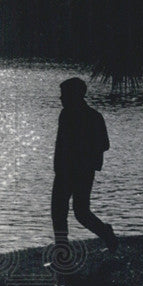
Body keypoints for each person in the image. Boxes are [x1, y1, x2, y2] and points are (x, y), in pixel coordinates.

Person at [51, 77, 119, 251]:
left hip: (82, 171)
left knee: (81, 212)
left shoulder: (93, 117)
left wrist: (83, 157)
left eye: (64, 95)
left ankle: (106, 233)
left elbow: (104, 144)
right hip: (63, 171)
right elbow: (61, 144)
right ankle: (62, 251)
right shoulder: (65, 115)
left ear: (75, 95)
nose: (61, 98)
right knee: (59, 212)